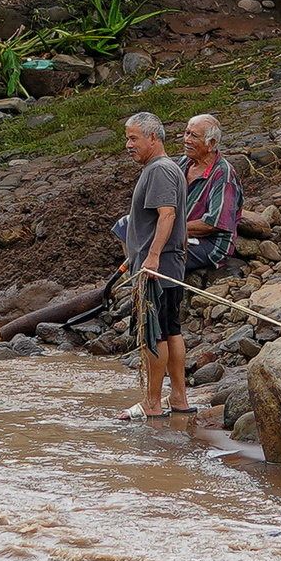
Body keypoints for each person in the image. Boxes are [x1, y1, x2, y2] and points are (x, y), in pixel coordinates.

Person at [112, 111, 190, 421]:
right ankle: (179, 398)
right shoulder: (164, 168)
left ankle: (153, 403)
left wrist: (152, 256)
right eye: (127, 138)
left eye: (133, 138)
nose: (128, 144)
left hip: (157, 268)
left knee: (154, 334)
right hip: (164, 265)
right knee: (171, 330)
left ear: (153, 138)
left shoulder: (159, 170)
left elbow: (167, 215)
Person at [179, 114, 243, 282]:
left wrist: (169, 230)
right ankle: (132, 281)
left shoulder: (223, 174)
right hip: (181, 232)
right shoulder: (184, 163)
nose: (187, 139)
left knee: (165, 252)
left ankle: (158, 299)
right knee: (127, 225)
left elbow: (212, 223)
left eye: (193, 136)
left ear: (211, 144)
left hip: (209, 244)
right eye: (186, 133)